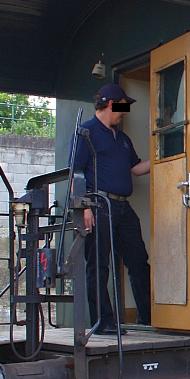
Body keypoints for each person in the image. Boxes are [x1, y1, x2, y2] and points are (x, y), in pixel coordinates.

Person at [71, 83, 151, 333]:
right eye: (121, 106)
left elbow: (135, 168)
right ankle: (102, 322)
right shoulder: (86, 132)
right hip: (98, 204)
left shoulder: (123, 138)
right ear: (109, 103)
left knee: (138, 261)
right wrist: (84, 207)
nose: (124, 112)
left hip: (122, 206)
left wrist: (166, 158)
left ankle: (146, 318)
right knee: (98, 264)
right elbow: (76, 171)